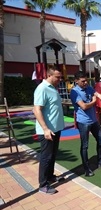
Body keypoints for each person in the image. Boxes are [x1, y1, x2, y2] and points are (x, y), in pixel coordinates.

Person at [70, 71, 101, 177]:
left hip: (94, 121)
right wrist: (93, 101)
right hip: (83, 122)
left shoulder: (89, 88)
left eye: (86, 80)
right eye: (83, 81)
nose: (86, 82)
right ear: (76, 81)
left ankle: (100, 162)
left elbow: (99, 95)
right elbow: (84, 106)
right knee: (85, 146)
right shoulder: (74, 92)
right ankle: (87, 169)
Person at [33, 65, 65, 195]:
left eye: (60, 77)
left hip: (55, 129)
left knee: (52, 155)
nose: (59, 80)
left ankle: (50, 176)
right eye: (57, 77)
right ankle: (43, 184)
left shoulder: (53, 88)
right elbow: (37, 110)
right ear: (49, 75)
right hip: (47, 131)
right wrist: (45, 129)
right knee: (46, 157)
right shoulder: (42, 89)